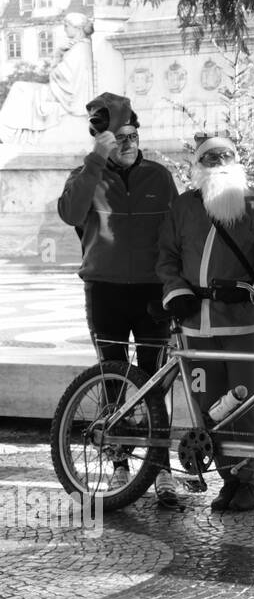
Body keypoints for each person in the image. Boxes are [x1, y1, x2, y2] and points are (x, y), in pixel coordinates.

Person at [57, 93, 180, 508]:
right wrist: (95, 160)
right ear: (101, 139)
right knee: (112, 381)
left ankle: (160, 467)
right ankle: (121, 463)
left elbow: (176, 234)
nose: (127, 143)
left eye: (132, 135)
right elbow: (71, 214)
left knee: (152, 382)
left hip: (151, 293)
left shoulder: (160, 177)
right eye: (117, 137)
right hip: (105, 289)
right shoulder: (86, 174)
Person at [156, 132, 254, 512]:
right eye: (209, 158)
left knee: (246, 401)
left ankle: (250, 480)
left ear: (236, 162)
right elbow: (167, 257)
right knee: (208, 402)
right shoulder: (183, 206)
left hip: (241, 321)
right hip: (196, 323)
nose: (217, 164)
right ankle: (229, 476)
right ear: (198, 166)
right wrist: (176, 289)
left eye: (224, 157)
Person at [0, 12, 95, 144]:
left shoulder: (79, 49)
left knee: (19, 88)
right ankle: (12, 132)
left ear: (77, 28)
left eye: (66, 26)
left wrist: (57, 55)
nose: (64, 29)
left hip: (63, 94)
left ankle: (9, 132)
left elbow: (60, 75)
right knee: (19, 87)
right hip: (62, 91)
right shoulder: (80, 47)